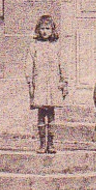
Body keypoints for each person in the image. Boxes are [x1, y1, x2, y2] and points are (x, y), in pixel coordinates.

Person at [26, 14, 68, 154]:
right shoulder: (34, 46)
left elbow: (62, 64)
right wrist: (30, 82)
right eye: (42, 28)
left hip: (53, 83)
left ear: (52, 30)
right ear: (38, 30)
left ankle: (51, 143)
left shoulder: (56, 45)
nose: (44, 31)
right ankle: (42, 143)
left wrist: (64, 81)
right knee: (40, 112)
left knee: (50, 113)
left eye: (47, 28)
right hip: (40, 83)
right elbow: (29, 64)